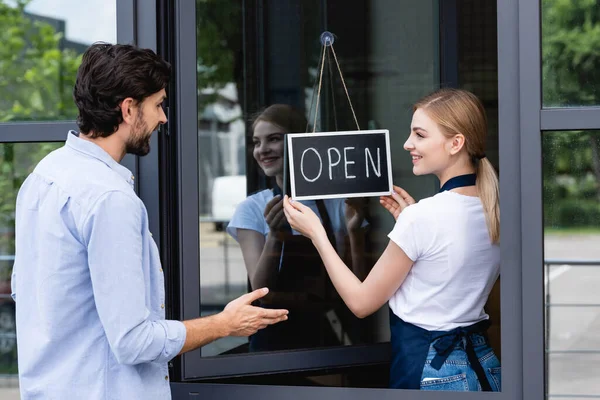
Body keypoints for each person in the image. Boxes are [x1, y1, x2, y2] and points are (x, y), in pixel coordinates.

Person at [10, 43, 288, 400]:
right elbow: (133, 342)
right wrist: (225, 324)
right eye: (157, 105)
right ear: (128, 109)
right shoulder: (110, 199)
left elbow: (32, 296)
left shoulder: (43, 176)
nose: (163, 119)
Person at [283, 88, 501, 391]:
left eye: (420, 135)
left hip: (432, 370)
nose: (408, 144)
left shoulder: (423, 217)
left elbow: (361, 303)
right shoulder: (494, 207)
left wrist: (317, 234)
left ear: (456, 143)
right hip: (483, 366)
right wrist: (410, 223)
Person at [226, 104, 368, 351]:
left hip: (331, 340)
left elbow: (362, 283)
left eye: (273, 139)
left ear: (299, 143)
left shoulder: (338, 204)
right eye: (256, 142)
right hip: (274, 343)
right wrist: (275, 235)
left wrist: (354, 232)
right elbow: (261, 290)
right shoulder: (251, 208)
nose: (262, 150)